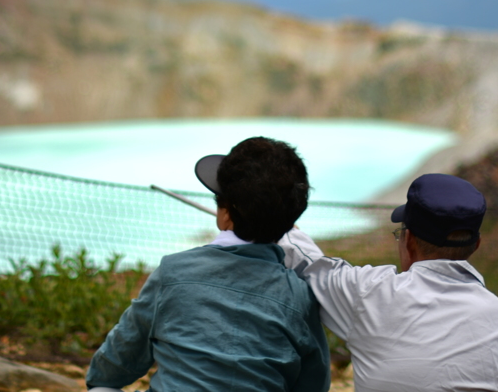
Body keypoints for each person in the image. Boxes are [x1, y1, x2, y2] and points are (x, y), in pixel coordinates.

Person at [85, 136, 331, 392]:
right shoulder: (298, 296)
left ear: (225, 215)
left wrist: (99, 381)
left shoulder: (173, 272)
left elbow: (114, 364)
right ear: (291, 220)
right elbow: (314, 383)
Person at [279, 173, 498, 392]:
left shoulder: (368, 295)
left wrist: (278, 220)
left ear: (409, 241)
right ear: (476, 245)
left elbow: (307, 264)